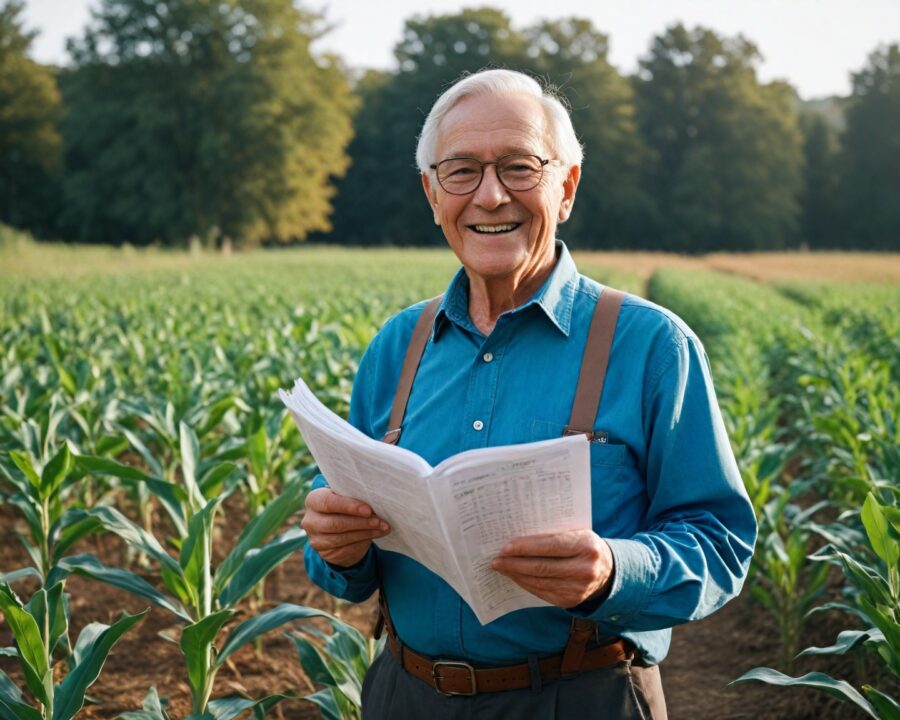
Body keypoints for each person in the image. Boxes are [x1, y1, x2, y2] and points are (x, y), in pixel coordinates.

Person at [301, 68, 757, 719]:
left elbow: (720, 541)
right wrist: (336, 548)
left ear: (565, 188)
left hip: (583, 697)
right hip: (406, 694)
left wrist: (613, 569)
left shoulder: (653, 345)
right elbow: (344, 561)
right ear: (433, 194)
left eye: (519, 167)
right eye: (461, 171)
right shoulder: (396, 346)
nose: (490, 197)